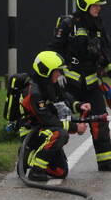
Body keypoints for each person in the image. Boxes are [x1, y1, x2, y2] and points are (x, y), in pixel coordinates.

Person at [51, 0, 111, 172]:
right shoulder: (68, 24)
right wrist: (57, 72)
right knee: (63, 122)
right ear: (84, 5)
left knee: (100, 121)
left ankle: (106, 161)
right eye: (95, 5)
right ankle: (49, 160)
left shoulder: (98, 26)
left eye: (99, 6)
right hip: (70, 84)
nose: (98, 8)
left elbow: (104, 53)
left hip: (92, 84)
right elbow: (55, 50)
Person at [20, 51, 90, 182]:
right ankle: (36, 169)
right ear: (45, 70)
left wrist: (78, 105)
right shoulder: (34, 93)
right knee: (60, 134)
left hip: (45, 130)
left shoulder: (49, 84)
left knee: (60, 172)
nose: (59, 74)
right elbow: (48, 120)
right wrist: (75, 127)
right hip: (32, 132)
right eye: (56, 71)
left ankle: (31, 158)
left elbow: (63, 99)